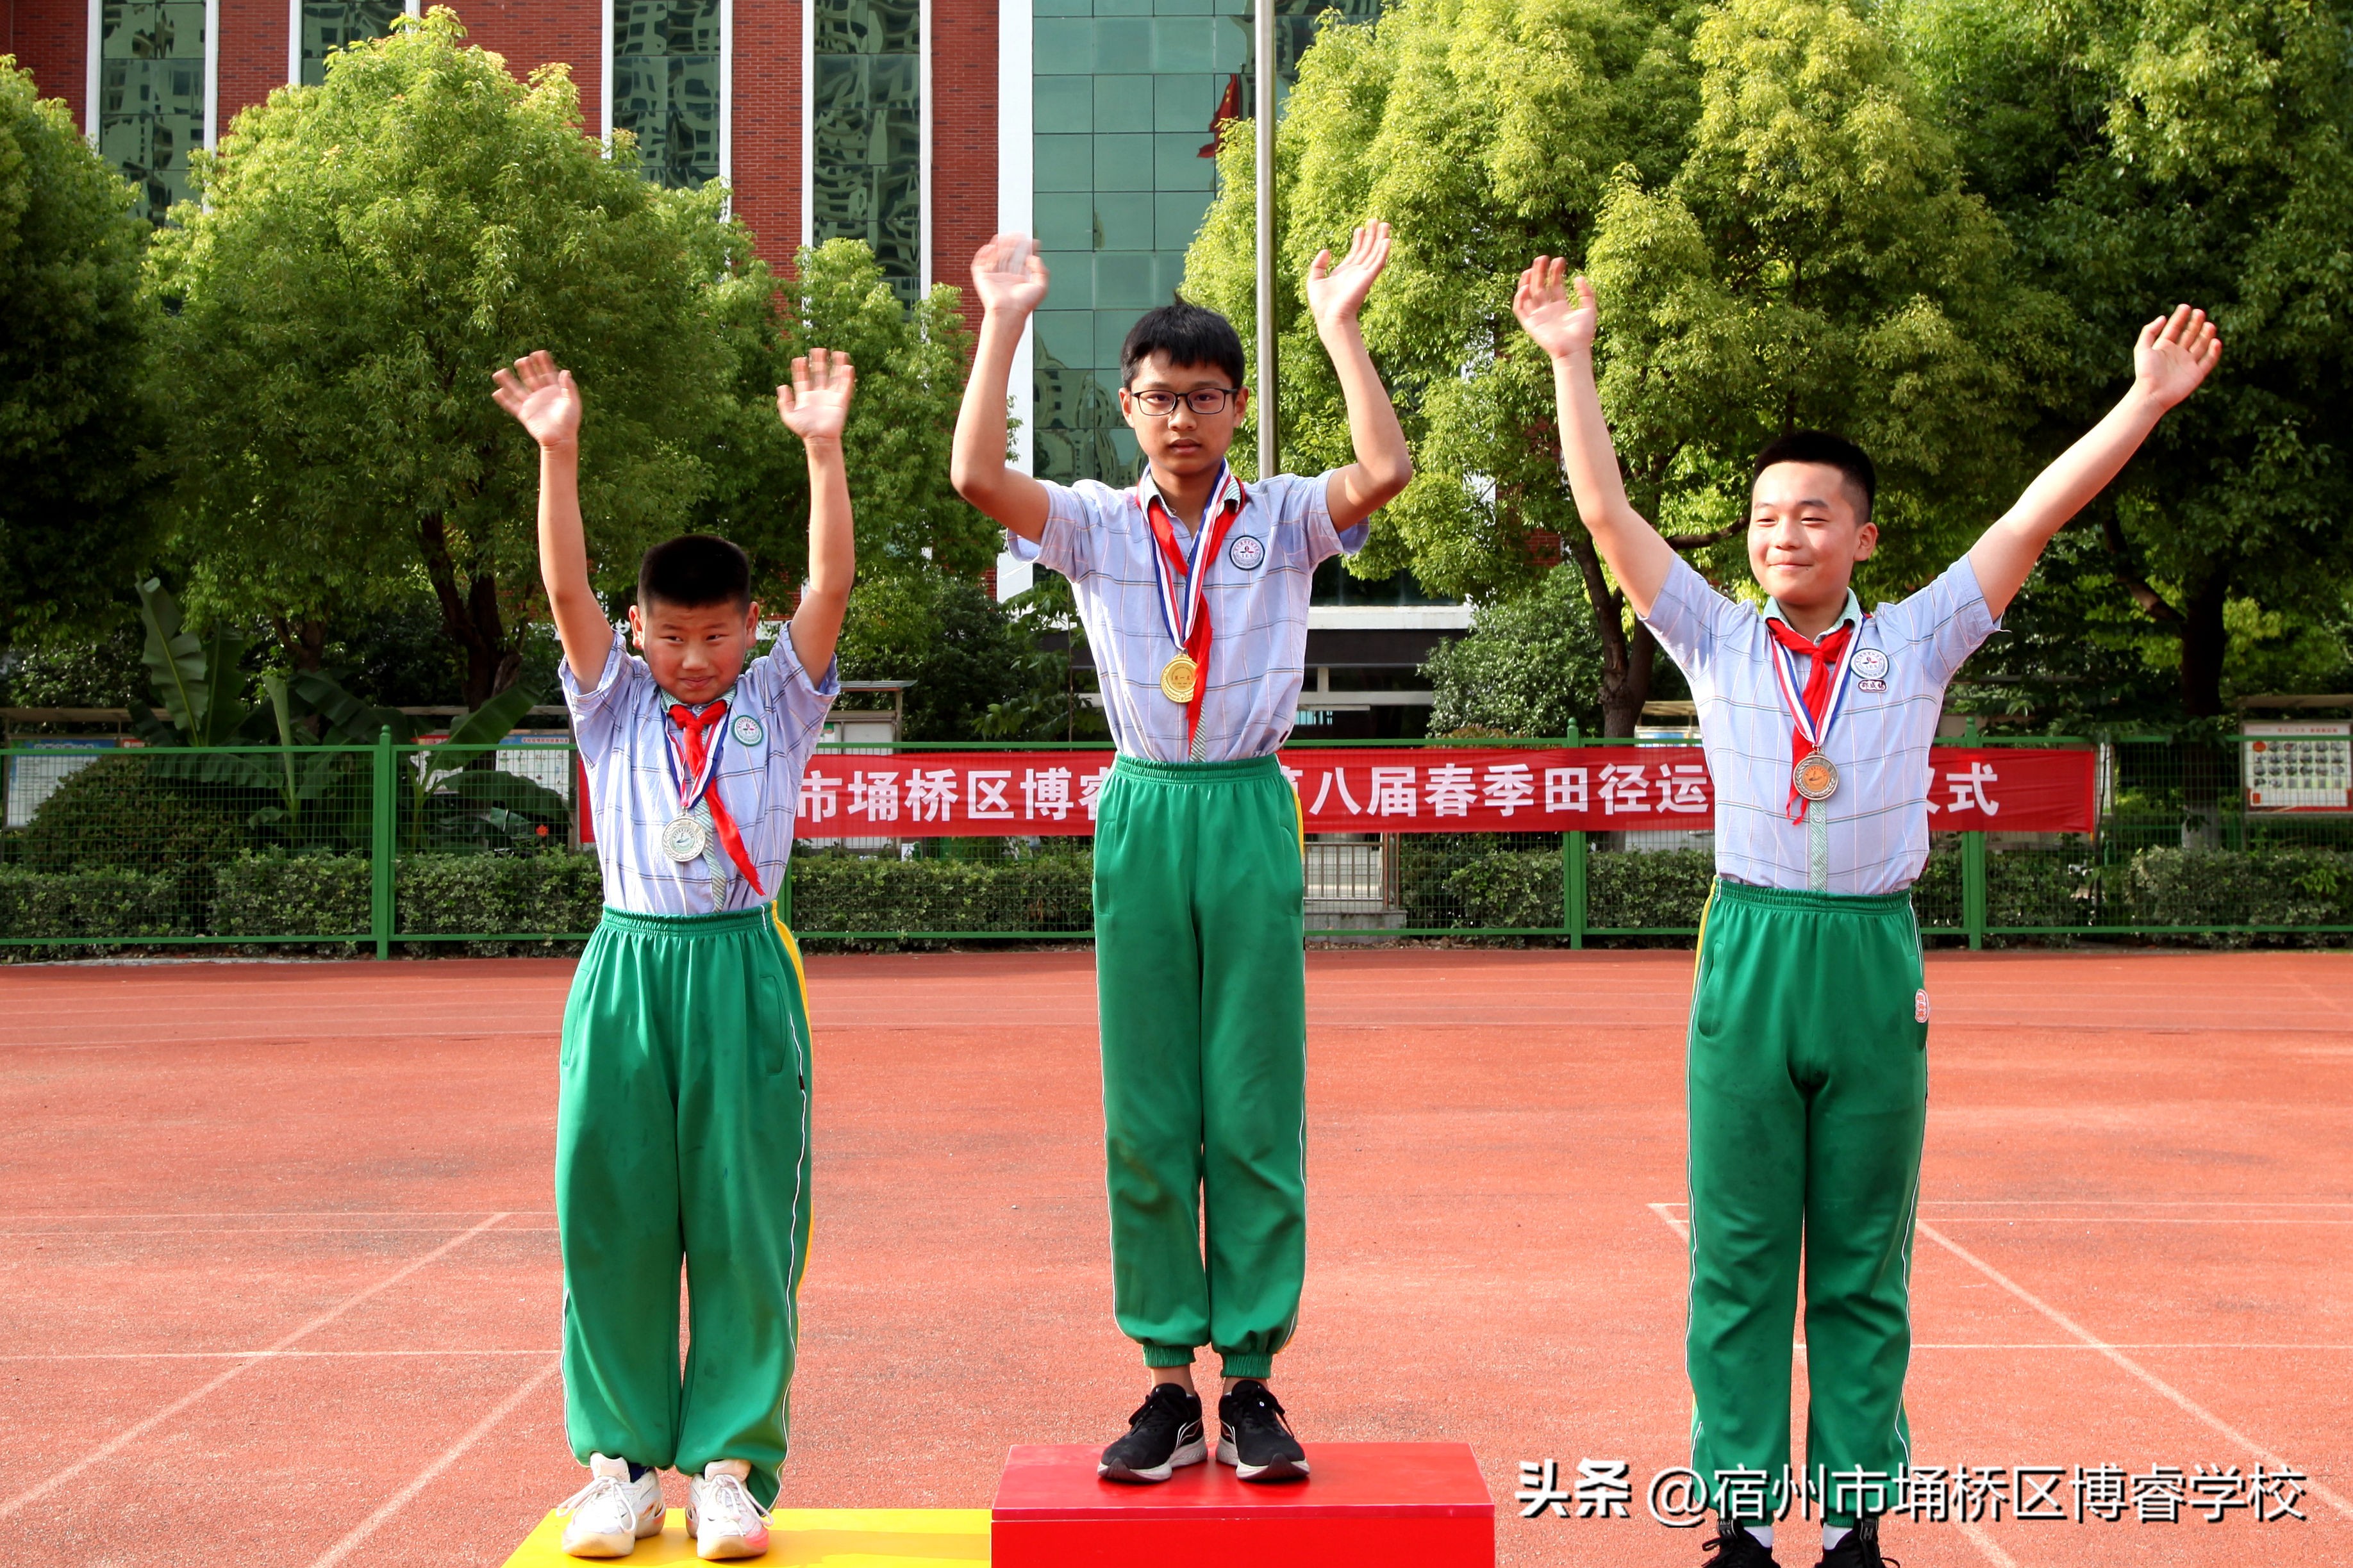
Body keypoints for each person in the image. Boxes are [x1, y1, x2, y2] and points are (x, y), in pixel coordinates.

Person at [1512, 260, 2219, 1568]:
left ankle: (1850, 1527)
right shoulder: (1714, 640)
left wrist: (2145, 403)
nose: (1788, 536)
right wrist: (1570, 358)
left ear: (1864, 537)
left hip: (1872, 953)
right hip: (1752, 949)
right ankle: (1733, 1523)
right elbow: (1607, 517)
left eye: (1818, 517)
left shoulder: (1921, 639)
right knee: (1736, 1256)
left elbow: (2033, 515)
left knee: (1859, 1260)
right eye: (1770, 517)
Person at [949, 228, 1413, 1483]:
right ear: (1128, 408)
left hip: (1249, 802)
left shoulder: (1287, 517)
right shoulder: (1099, 524)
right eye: (1160, 397)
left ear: (1238, 406)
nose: (1183, 418)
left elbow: (1385, 465)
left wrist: (1340, 324)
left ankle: (1254, 1382)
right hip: (1146, 806)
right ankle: (1165, 1383)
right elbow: (978, 479)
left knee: (1251, 1097)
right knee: (1150, 1105)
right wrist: (1004, 322)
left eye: (1206, 397)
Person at [492, 346, 859, 1560]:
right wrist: (558, 453)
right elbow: (561, 595)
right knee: (612, 1215)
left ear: (748, 629)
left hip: (744, 972)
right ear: (640, 630)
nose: (692, 656)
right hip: (627, 971)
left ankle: (732, 1469)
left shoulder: (778, 700)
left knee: (747, 1225)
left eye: (714, 634)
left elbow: (834, 585)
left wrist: (822, 450)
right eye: (671, 634)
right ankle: (618, 1466)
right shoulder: (614, 705)